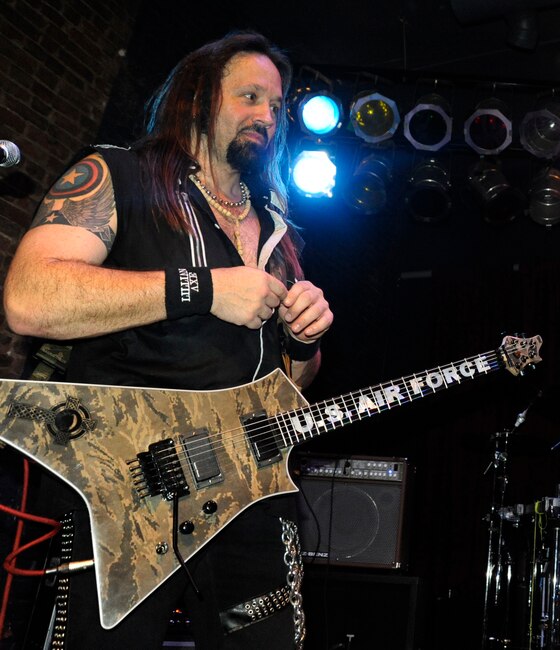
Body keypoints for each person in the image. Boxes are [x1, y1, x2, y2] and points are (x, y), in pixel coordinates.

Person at [3, 31, 334, 648]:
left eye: (276, 105)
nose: (267, 115)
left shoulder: (280, 233)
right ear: (200, 97)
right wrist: (204, 288)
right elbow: (31, 298)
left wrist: (304, 338)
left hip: (249, 494)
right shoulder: (118, 174)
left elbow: (289, 384)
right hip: (128, 485)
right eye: (250, 96)